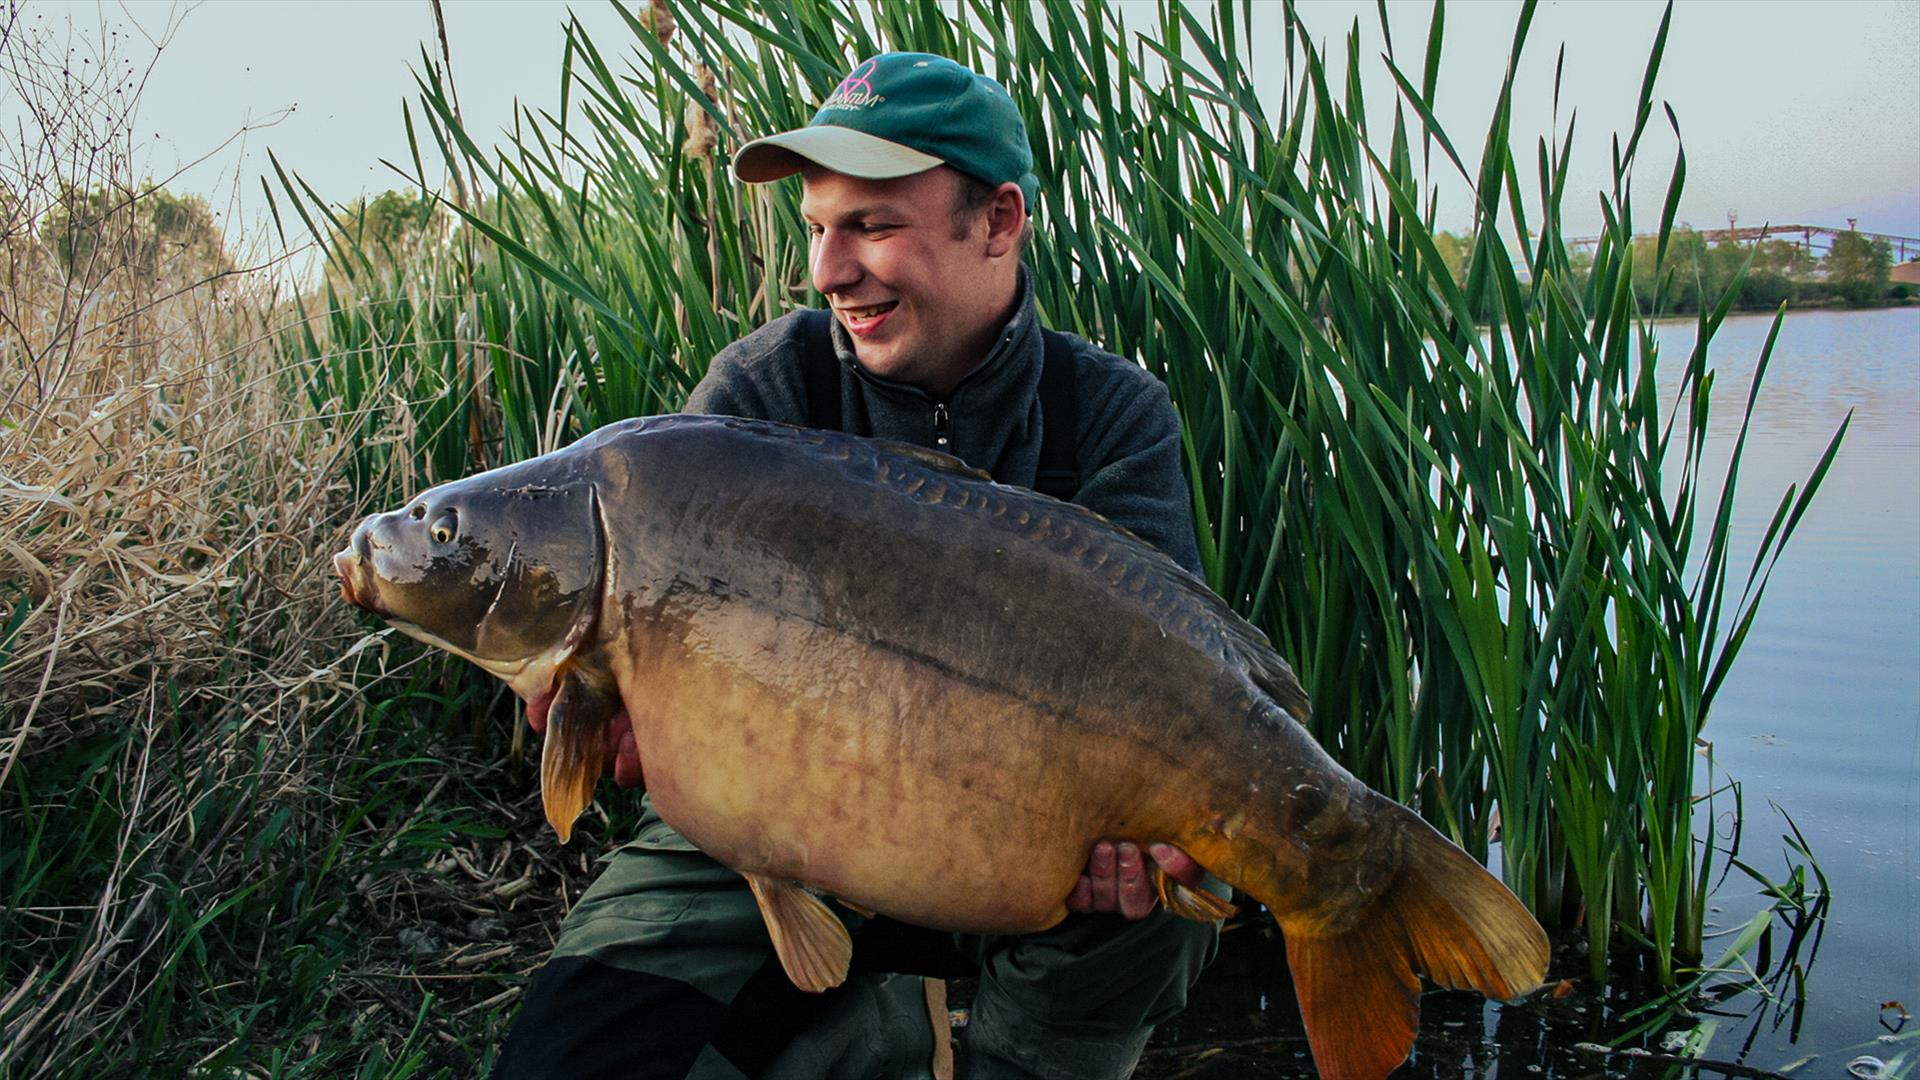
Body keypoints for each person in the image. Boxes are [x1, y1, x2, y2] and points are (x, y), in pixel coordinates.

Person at [494, 52, 1224, 1080]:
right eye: (818, 230)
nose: (829, 271)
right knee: (564, 1059)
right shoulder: (758, 393)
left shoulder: (1110, 416)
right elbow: (635, 691)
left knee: (1171, 903)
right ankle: (867, 1025)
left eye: (874, 227)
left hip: (1022, 848)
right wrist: (612, 712)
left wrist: (1152, 831)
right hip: (763, 844)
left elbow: (1175, 692)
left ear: (999, 222)